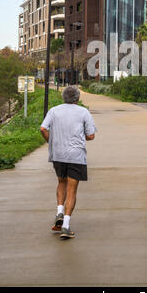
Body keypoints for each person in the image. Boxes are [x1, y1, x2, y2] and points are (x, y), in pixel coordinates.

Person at [40, 86, 97, 240]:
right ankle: (65, 226)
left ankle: (59, 211)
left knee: (61, 182)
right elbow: (91, 135)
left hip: (58, 154)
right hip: (76, 155)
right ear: (77, 99)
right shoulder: (83, 112)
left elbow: (43, 128)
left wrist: (51, 143)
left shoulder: (54, 110)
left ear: (63, 97)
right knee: (72, 190)